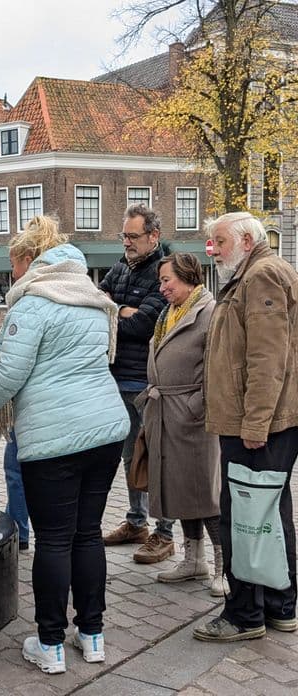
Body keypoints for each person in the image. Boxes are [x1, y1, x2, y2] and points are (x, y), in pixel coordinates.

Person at [0, 215, 129, 674]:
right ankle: (93, 634)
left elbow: (7, 376)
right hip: (105, 430)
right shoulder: (92, 298)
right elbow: (106, 357)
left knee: (54, 540)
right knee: (87, 535)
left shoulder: (33, 304)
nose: (13, 275)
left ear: (29, 260)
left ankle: (50, 644)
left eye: (14, 264)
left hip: (54, 440)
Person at [194, 212, 298, 643]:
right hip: (261, 422)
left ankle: (244, 615)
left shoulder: (261, 277)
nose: (211, 249)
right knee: (268, 513)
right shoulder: (253, 274)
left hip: (257, 425)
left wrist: (255, 423)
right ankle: (279, 606)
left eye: (218, 241)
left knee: (245, 516)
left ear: (246, 239)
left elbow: (267, 359)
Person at [138, 253, 225, 596]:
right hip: (165, 413)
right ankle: (194, 559)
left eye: (166, 281)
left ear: (188, 277)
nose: (161, 288)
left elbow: (217, 368)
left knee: (206, 493)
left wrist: (196, 406)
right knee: (180, 490)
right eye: (160, 281)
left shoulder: (208, 312)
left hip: (192, 418)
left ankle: (224, 567)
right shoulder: (167, 314)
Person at [100, 204, 175, 564]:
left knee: (156, 458)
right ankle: (136, 521)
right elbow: (96, 306)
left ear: (153, 236)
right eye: (124, 236)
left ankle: (165, 532)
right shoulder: (119, 267)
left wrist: (115, 311)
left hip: (146, 382)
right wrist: (117, 310)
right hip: (117, 378)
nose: (126, 242)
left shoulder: (165, 273)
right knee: (132, 458)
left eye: (133, 236)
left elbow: (143, 326)